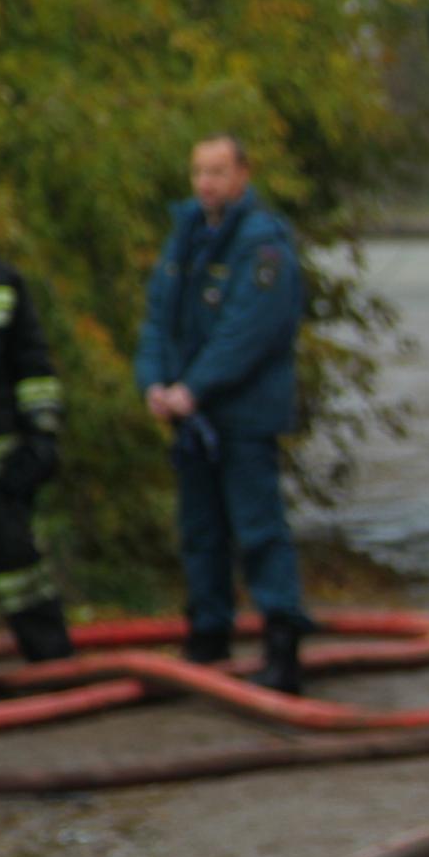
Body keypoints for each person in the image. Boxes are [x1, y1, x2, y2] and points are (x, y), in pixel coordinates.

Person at [133, 133, 311, 694]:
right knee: (200, 530)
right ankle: (207, 638)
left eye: (216, 171)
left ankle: (283, 645)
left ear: (242, 175)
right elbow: (159, 320)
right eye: (198, 172)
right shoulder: (185, 238)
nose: (205, 182)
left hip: (244, 416)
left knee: (258, 529)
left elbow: (248, 333)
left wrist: (195, 388)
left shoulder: (262, 246)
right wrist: (156, 383)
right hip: (192, 417)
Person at [0, 255, 69, 663]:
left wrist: (42, 434)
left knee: (20, 569)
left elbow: (33, 363)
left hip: (1, 470)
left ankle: (53, 663)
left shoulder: (2, 282)